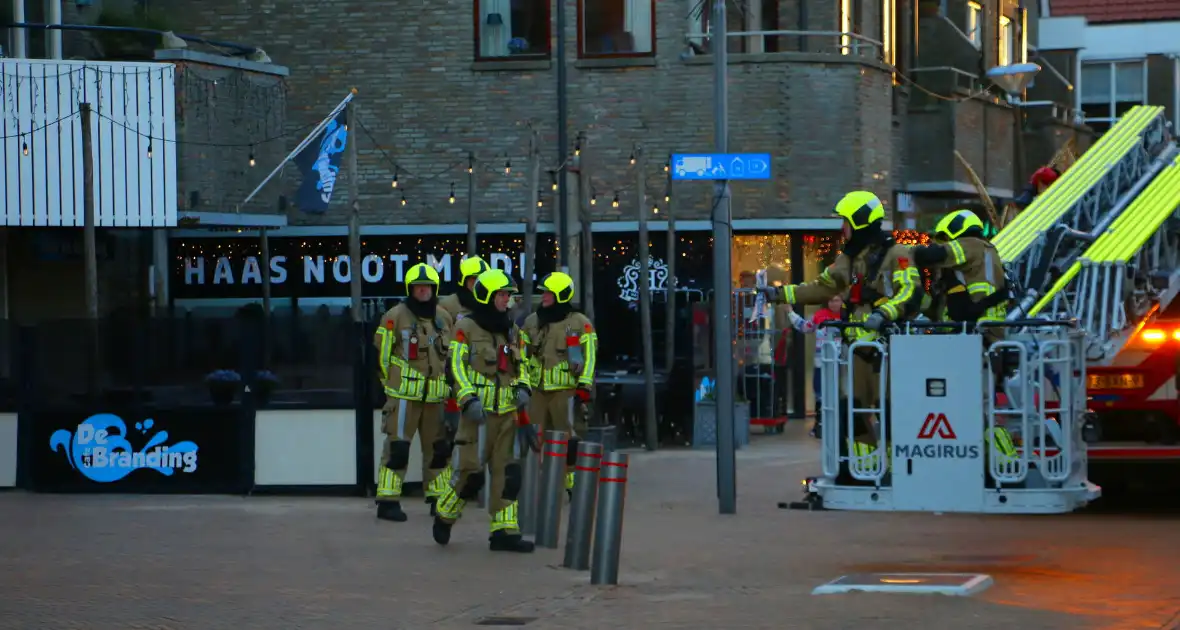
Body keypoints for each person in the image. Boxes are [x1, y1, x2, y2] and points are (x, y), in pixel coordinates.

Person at [760, 190, 923, 472]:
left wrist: (884, 313)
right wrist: (780, 295)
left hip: (892, 349)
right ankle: (866, 469)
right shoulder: (848, 260)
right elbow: (820, 286)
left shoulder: (898, 254)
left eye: (845, 221)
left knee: (893, 412)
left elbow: (911, 291)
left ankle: (901, 472)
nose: (841, 228)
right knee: (853, 411)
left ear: (860, 222)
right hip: (859, 353)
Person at [432, 268, 536, 553]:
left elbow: (524, 365)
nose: (507, 300)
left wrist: (524, 387)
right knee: (470, 476)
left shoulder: (513, 330)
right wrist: (467, 398)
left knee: (508, 474)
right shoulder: (466, 327)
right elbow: (455, 366)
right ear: (488, 296)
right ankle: (445, 513)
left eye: (508, 295)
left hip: (507, 415)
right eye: (502, 295)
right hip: (477, 416)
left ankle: (504, 532)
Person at [373, 263, 454, 522]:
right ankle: (388, 501)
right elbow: (380, 355)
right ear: (411, 289)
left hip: (435, 399)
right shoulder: (394, 316)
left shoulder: (444, 317)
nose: (423, 291)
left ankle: (437, 499)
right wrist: (391, 387)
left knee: (438, 450)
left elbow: (451, 358)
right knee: (397, 449)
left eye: (427, 286)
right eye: (418, 287)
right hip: (404, 398)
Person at [520, 272, 598, 494]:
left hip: (566, 391)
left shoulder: (580, 323)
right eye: (543, 292)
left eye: (548, 293)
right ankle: (536, 484)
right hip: (537, 391)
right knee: (533, 437)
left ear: (561, 295)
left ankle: (572, 485)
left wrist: (584, 386)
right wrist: (522, 383)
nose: (543, 296)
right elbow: (521, 356)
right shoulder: (531, 322)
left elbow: (590, 356)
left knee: (569, 438)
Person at [433, 255, 491, 502]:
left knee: (484, 438)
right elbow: (439, 344)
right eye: (472, 280)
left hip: (485, 384)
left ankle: (476, 486)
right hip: (455, 381)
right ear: (463, 281)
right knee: (453, 437)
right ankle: (448, 492)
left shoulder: (490, 304)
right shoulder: (447, 306)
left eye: (480, 279)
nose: (476, 283)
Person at [912, 209, 1008, 329]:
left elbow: (932, 254)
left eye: (944, 238)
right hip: (983, 326)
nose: (944, 243)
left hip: (977, 329)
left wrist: (903, 251)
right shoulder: (986, 249)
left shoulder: (971, 244)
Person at [783, 293, 845, 438]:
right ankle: (820, 425)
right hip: (821, 363)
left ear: (842, 302)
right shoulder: (820, 315)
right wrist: (790, 312)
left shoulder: (847, 317)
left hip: (840, 364)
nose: (833, 304)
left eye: (836, 300)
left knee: (839, 394)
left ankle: (839, 427)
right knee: (820, 395)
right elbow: (804, 327)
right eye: (830, 300)